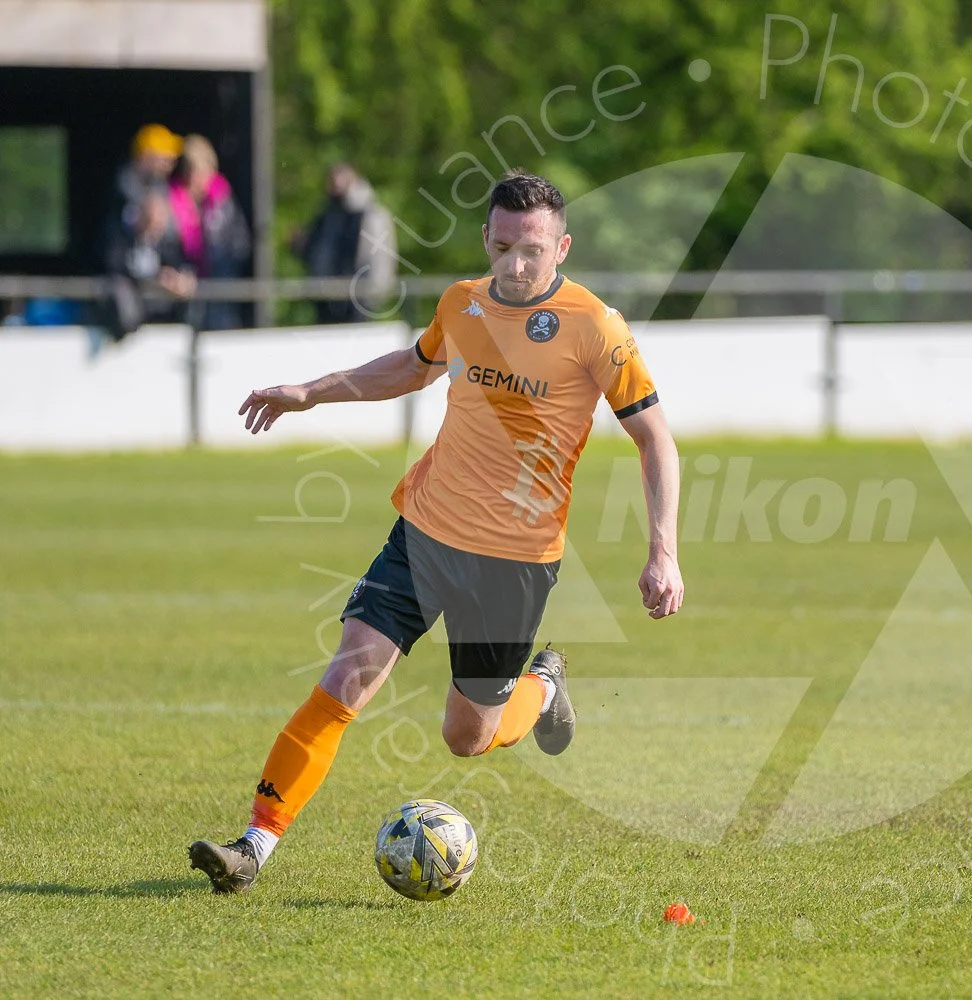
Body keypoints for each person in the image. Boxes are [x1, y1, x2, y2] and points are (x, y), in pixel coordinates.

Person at [189, 170, 684, 893]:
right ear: (487, 237)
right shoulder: (462, 302)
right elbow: (412, 366)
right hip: (424, 531)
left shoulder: (594, 327)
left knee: (467, 737)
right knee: (348, 674)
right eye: (505, 245)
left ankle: (542, 688)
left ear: (562, 249)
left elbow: (655, 440)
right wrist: (310, 393)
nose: (516, 264)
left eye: (534, 251)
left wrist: (662, 551)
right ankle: (253, 847)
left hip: (514, 562)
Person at [293, 163, 398, 323]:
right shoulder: (329, 214)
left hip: (359, 300)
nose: (334, 185)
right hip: (326, 299)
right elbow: (319, 252)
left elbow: (378, 261)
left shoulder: (372, 215)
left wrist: (372, 293)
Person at [168, 135, 251, 330]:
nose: (199, 178)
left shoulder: (224, 203)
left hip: (219, 294)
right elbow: (167, 247)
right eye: (194, 171)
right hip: (181, 295)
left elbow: (240, 245)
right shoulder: (170, 200)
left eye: (204, 171)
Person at [100, 190, 197, 339]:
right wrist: (154, 280)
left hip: (162, 320)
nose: (155, 229)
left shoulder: (166, 244)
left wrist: (179, 280)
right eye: (150, 222)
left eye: (160, 224)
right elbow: (114, 268)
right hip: (130, 319)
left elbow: (179, 267)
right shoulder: (120, 239)